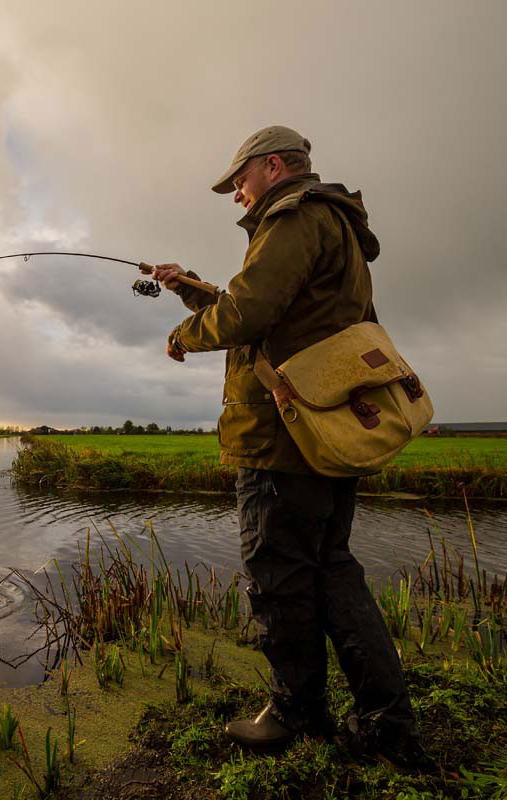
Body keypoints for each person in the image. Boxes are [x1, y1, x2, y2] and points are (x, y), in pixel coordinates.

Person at [152, 125, 429, 768]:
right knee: (331, 568)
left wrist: (185, 331)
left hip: (285, 436)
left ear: (272, 166)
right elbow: (273, 313)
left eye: (239, 180)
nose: (235, 195)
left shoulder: (293, 218)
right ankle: (387, 724)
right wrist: (192, 286)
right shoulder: (332, 225)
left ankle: (296, 711)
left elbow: (247, 317)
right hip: (325, 429)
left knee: (279, 577)